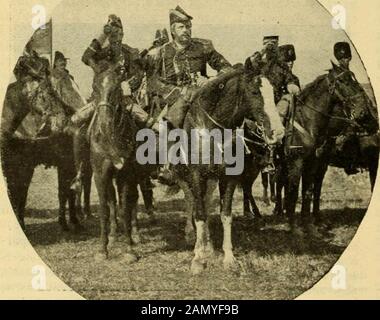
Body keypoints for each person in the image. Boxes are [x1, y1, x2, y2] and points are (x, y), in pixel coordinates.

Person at [275, 44, 301, 122]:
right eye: (287, 61)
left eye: (292, 61)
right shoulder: (274, 77)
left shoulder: (294, 78)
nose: (290, 63)